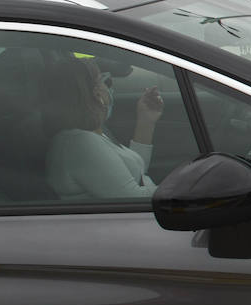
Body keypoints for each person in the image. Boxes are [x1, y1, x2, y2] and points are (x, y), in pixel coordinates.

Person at [43, 57, 164, 200]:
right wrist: (188, 190)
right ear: (95, 94)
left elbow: (135, 173)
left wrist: (146, 121)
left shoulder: (89, 134)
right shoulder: (80, 143)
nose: (109, 88)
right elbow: (132, 198)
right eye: (105, 82)